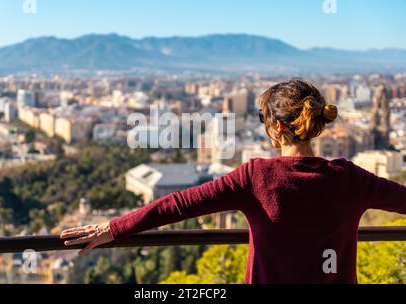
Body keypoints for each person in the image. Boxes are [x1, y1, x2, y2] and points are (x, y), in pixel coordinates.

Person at [60, 79, 406, 284]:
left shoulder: (256, 177)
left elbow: (177, 205)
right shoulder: (351, 179)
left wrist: (114, 228)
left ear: (277, 128)